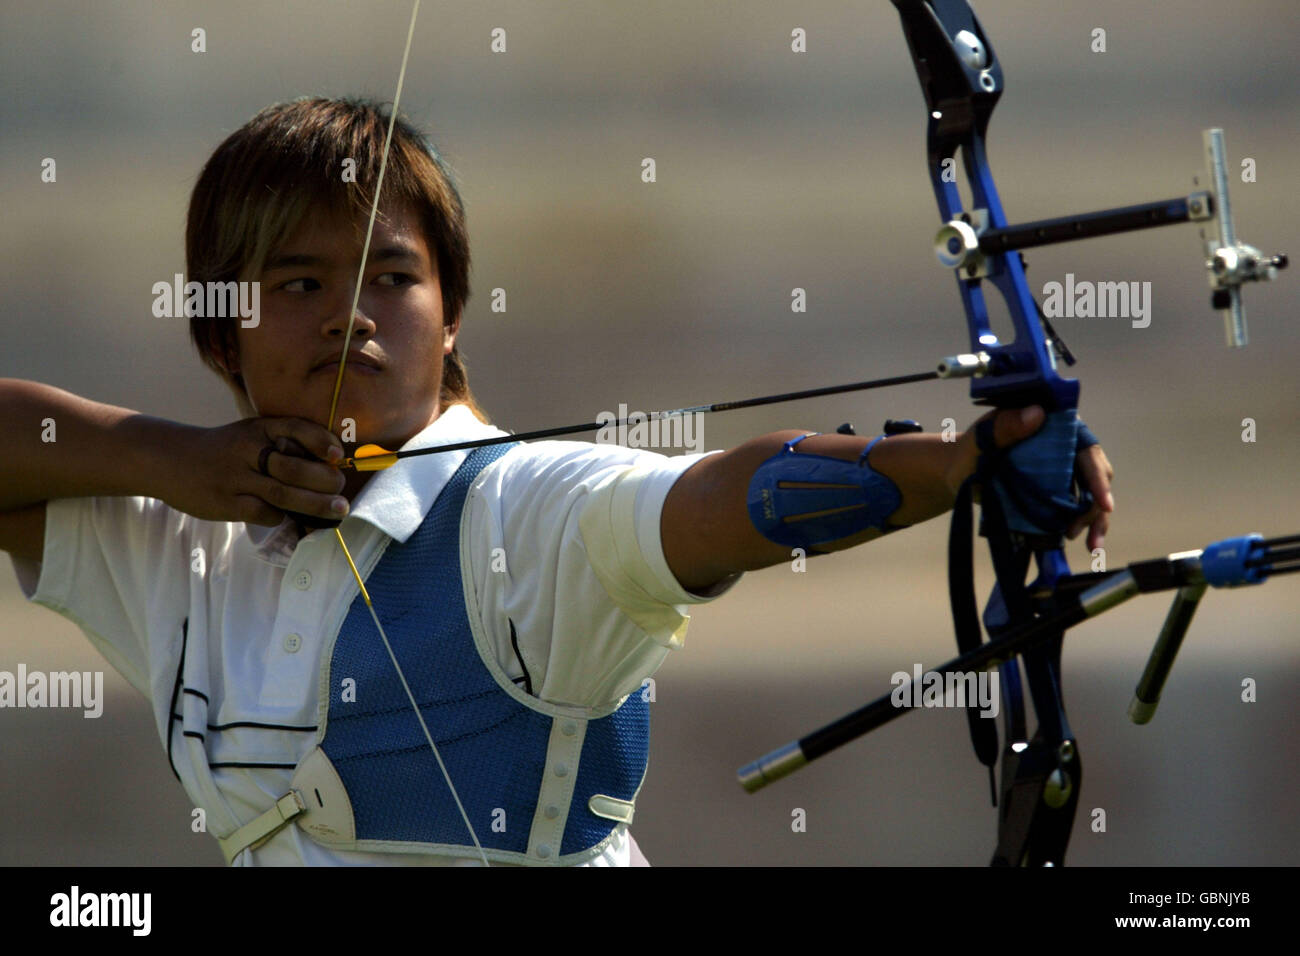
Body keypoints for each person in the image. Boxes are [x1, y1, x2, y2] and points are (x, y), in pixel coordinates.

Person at [0, 97, 1113, 866]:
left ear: (449, 321)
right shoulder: (179, 538)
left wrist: (956, 467)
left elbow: (714, 500)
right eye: (297, 280)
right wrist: (175, 459)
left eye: (393, 275)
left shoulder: (517, 509)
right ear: (221, 333)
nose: (349, 312)